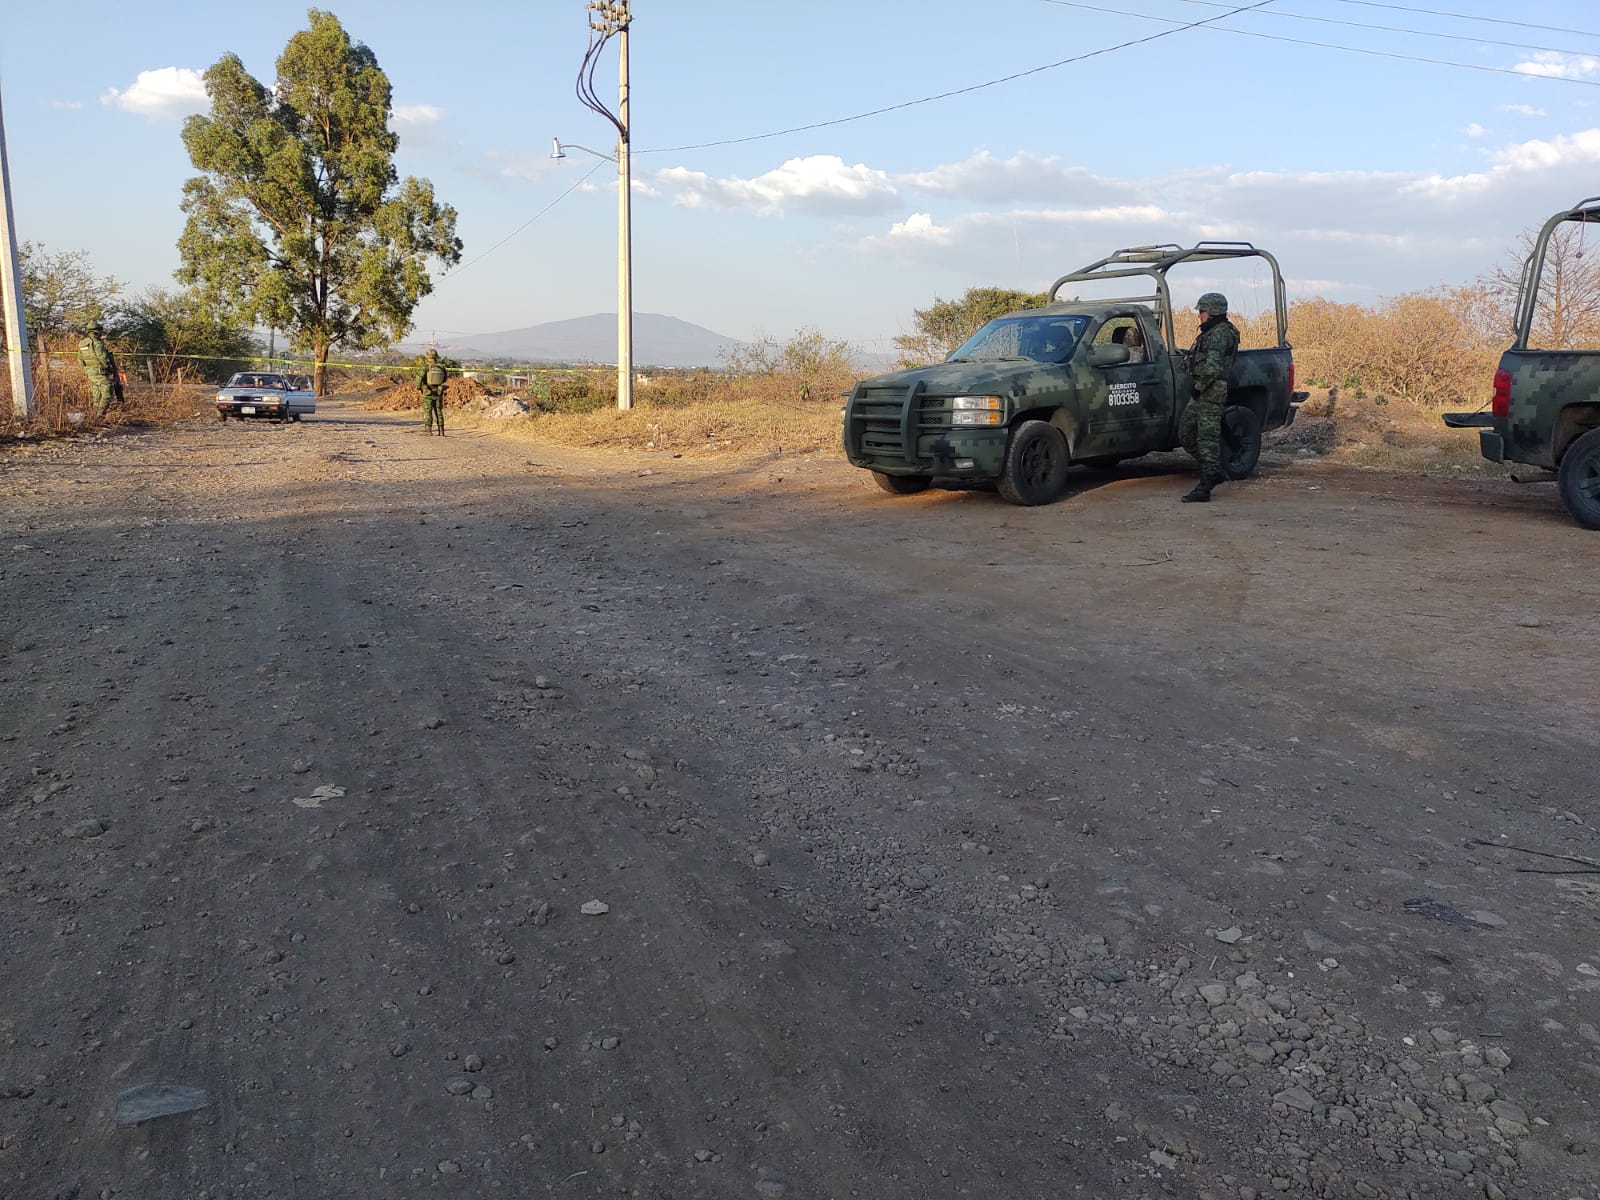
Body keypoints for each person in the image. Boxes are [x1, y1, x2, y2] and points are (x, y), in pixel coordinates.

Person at [1178, 293, 1239, 503]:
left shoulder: (1220, 334)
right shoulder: (1211, 331)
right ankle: (1213, 470)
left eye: (1201, 311)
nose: (1199, 316)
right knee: (1186, 433)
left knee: (1207, 439)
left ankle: (1206, 484)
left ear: (1212, 311)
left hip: (1210, 391)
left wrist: (1199, 387)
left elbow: (1213, 368)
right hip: (1204, 390)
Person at [78, 321, 123, 419]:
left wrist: (86, 370)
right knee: (108, 392)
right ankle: (99, 415)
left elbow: (79, 359)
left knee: (97, 394)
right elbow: (102, 357)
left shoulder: (82, 343)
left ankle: (94, 415)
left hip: (90, 372)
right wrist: (109, 368)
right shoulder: (97, 343)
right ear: (96, 332)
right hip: (100, 371)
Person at [417, 348, 447, 436]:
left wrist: (420, 388)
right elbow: (445, 379)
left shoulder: (426, 367)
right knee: (438, 411)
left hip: (428, 392)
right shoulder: (442, 367)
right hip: (438, 392)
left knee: (428, 411)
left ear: (428, 357)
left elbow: (419, 378)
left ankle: (428, 431)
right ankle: (441, 431)